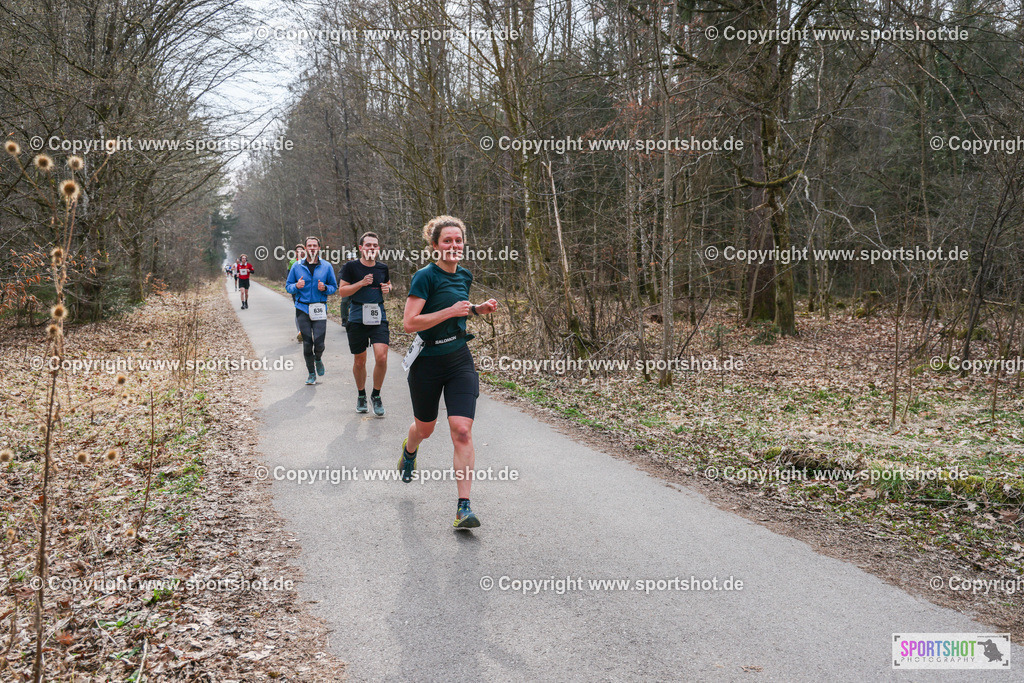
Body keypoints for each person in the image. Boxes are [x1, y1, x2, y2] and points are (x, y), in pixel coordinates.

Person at [399, 216, 497, 529]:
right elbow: (410, 323)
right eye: (447, 241)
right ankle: (409, 449)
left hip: (458, 360)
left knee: (462, 430)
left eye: (458, 241)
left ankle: (463, 508)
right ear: (435, 245)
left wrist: (476, 310)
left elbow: (459, 309)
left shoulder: (464, 275)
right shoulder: (424, 277)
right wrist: (450, 311)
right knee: (425, 429)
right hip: (427, 363)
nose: (453, 246)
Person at [338, 233, 392, 416]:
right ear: (361, 248)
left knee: (382, 357)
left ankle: (376, 395)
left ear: (378, 249)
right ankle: (361, 394)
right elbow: (342, 292)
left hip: (378, 316)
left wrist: (388, 288)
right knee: (360, 361)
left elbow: (388, 285)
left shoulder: (383, 267)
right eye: (368, 245)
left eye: (375, 245)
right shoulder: (351, 267)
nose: (371, 248)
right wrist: (361, 283)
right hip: (357, 316)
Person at [286, 236, 338, 385]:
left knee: (319, 343)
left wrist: (325, 288)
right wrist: (296, 286)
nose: (312, 248)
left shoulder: (327, 266)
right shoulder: (297, 266)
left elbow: (334, 287)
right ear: (306, 248)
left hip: (319, 308)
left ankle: (318, 358)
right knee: (307, 342)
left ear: (319, 248)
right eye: (309, 246)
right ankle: (311, 373)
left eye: (315, 245)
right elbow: (288, 286)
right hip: (302, 308)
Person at [288, 243, 306, 342]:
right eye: (297, 251)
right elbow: (289, 278)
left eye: (301, 250)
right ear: (295, 253)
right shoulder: (292, 262)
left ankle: (307, 330)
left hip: (306, 290)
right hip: (296, 289)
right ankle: (300, 332)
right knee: (298, 309)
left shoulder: (308, 261)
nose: (299, 252)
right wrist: (295, 285)